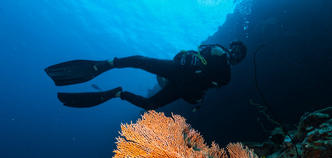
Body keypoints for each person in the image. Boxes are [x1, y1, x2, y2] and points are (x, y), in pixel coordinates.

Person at [44, 41, 247, 111]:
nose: (235, 53)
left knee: (150, 106)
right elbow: (186, 55)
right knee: (142, 62)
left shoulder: (226, 76)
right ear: (231, 47)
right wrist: (213, 53)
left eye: (239, 55)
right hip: (179, 70)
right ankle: (109, 64)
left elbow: (214, 85)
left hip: (184, 89)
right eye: (235, 49)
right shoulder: (215, 50)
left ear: (238, 61)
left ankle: (117, 94)